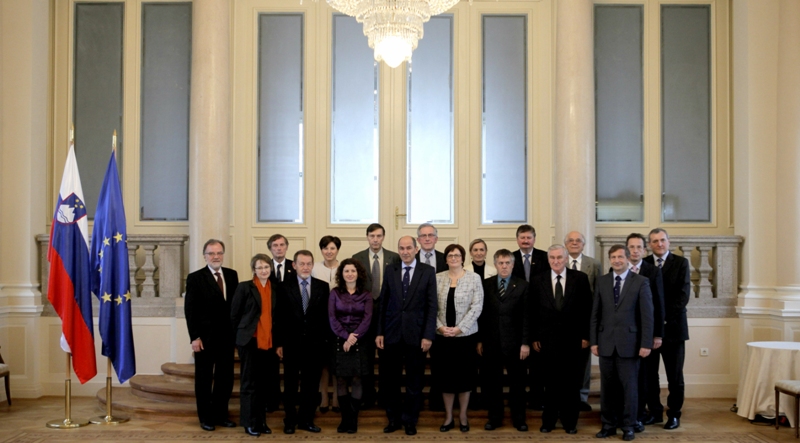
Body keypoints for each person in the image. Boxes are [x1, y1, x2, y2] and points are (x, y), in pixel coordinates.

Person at [376, 236, 438, 436]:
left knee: (414, 382)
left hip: (417, 336)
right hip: (391, 334)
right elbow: (383, 302)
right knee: (391, 382)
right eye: (401, 248)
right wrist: (379, 332)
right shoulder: (391, 270)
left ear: (416, 249)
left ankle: (410, 420)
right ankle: (393, 420)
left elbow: (432, 306)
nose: (405, 252)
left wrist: (428, 335)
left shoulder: (427, 271)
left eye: (409, 248)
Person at [591, 245, 654, 442]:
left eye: (620, 257)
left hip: (631, 344)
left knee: (630, 389)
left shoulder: (641, 282)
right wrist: (594, 341)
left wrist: (646, 343)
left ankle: (629, 426)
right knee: (607, 389)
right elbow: (595, 314)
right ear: (609, 259)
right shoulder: (602, 281)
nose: (617, 260)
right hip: (606, 344)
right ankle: (608, 425)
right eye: (613, 257)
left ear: (628, 259)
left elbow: (647, 316)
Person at [530, 244, 593, 434]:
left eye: (559, 257)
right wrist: (534, 336)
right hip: (547, 341)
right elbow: (532, 310)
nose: (556, 261)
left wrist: (586, 336)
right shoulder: (538, 279)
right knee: (550, 383)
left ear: (566, 259)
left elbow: (587, 309)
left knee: (571, 384)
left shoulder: (580, 278)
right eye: (552, 258)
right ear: (548, 259)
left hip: (574, 340)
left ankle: (570, 422)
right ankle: (548, 421)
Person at [184, 239, 238, 431]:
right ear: (204, 256)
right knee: (204, 379)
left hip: (227, 338)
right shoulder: (195, 278)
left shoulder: (232, 275)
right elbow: (190, 310)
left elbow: (235, 307)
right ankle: (206, 418)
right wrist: (195, 337)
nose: (216, 256)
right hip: (204, 339)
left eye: (219, 253)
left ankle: (221, 415)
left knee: (225, 379)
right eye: (211, 253)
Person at [276, 250, 330, 434]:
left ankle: (307, 420)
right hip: (291, 344)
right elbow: (279, 317)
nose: (305, 267)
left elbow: (325, 317)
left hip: (315, 345)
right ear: (294, 265)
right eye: (302, 264)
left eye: (308, 264)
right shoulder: (283, 287)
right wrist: (279, 343)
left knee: (311, 385)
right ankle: (290, 421)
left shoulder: (322, 287)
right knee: (290, 385)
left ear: (312, 265)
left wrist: (324, 342)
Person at [432, 244, 483, 433]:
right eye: (450, 255)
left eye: (457, 255)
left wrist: (460, 329)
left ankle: (462, 416)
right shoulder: (437, 278)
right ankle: (448, 417)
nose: (454, 258)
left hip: (465, 338)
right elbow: (431, 306)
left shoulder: (474, 278)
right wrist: (439, 326)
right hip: (443, 337)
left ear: (463, 258)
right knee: (446, 379)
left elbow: (477, 306)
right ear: (445, 259)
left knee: (464, 379)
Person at [478, 249, 530, 432]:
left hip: (516, 344)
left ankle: (519, 419)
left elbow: (527, 316)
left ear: (513, 264)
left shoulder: (523, 285)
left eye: (508, 263)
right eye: (501, 263)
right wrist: (480, 340)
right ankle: (495, 418)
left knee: (518, 384)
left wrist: (525, 343)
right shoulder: (486, 284)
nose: (504, 266)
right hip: (491, 342)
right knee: (493, 384)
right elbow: (482, 315)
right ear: (495, 265)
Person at [643, 228, 690, 430]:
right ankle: (655, 412)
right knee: (649, 376)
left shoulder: (681, 263)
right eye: (654, 241)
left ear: (669, 242)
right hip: (649, 331)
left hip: (674, 330)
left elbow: (683, 296)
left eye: (662, 240)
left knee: (675, 376)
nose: (659, 244)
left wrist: (660, 319)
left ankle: (674, 415)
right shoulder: (644, 264)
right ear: (649, 245)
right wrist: (652, 323)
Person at [230, 254, 281, 436]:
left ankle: (261, 421)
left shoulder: (275, 288)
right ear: (254, 270)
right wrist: (238, 340)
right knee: (249, 384)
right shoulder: (245, 287)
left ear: (270, 269)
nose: (263, 270)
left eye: (266, 267)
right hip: (249, 341)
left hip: (268, 342)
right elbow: (234, 315)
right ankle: (249, 423)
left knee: (264, 384)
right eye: (260, 267)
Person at [352, 223, 400, 408]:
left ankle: (385, 395)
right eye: (372, 236)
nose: (375, 239)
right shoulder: (357, 258)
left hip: (388, 315)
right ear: (367, 237)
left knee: (387, 359)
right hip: (364, 316)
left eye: (379, 236)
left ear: (383, 237)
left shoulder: (394, 257)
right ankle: (368, 395)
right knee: (366, 358)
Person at [328, 258, 373, 434]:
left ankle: (353, 420)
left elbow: (367, 319)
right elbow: (332, 318)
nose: (350, 274)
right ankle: (345, 419)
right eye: (346, 271)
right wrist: (346, 336)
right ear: (342, 274)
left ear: (358, 273)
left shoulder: (366, 294)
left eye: (353, 271)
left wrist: (353, 338)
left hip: (360, 339)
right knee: (341, 380)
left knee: (356, 379)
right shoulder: (335, 293)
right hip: (339, 339)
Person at [626, 233, 665, 431]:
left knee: (648, 375)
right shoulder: (618, 268)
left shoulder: (653, 271)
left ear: (644, 249)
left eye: (638, 247)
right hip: (626, 333)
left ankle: (647, 413)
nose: (635, 251)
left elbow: (658, 304)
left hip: (646, 333)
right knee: (630, 375)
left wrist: (657, 334)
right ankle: (632, 413)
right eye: (631, 247)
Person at [511, 224, 547, 409]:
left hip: (539, 315)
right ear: (517, 239)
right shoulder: (510, 258)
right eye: (522, 237)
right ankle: (518, 400)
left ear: (534, 239)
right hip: (516, 317)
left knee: (538, 364)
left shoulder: (545, 257)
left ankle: (536, 399)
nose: (525, 241)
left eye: (529, 237)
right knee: (518, 364)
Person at [564, 230, 600, 412]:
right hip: (563, 323)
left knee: (584, 364)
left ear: (583, 244)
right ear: (566, 244)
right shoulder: (559, 262)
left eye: (578, 240)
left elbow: (599, 293)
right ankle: (565, 397)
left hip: (585, 320)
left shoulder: (593, 264)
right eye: (571, 240)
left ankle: (582, 397)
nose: (574, 243)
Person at [311, 235, 341, 414]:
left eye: (332, 248)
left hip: (340, 321)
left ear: (337, 250)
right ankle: (323, 396)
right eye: (325, 248)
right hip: (320, 321)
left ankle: (336, 396)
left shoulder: (344, 267)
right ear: (321, 250)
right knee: (322, 361)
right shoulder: (314, 268)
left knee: (336, 360)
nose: (329, 251)